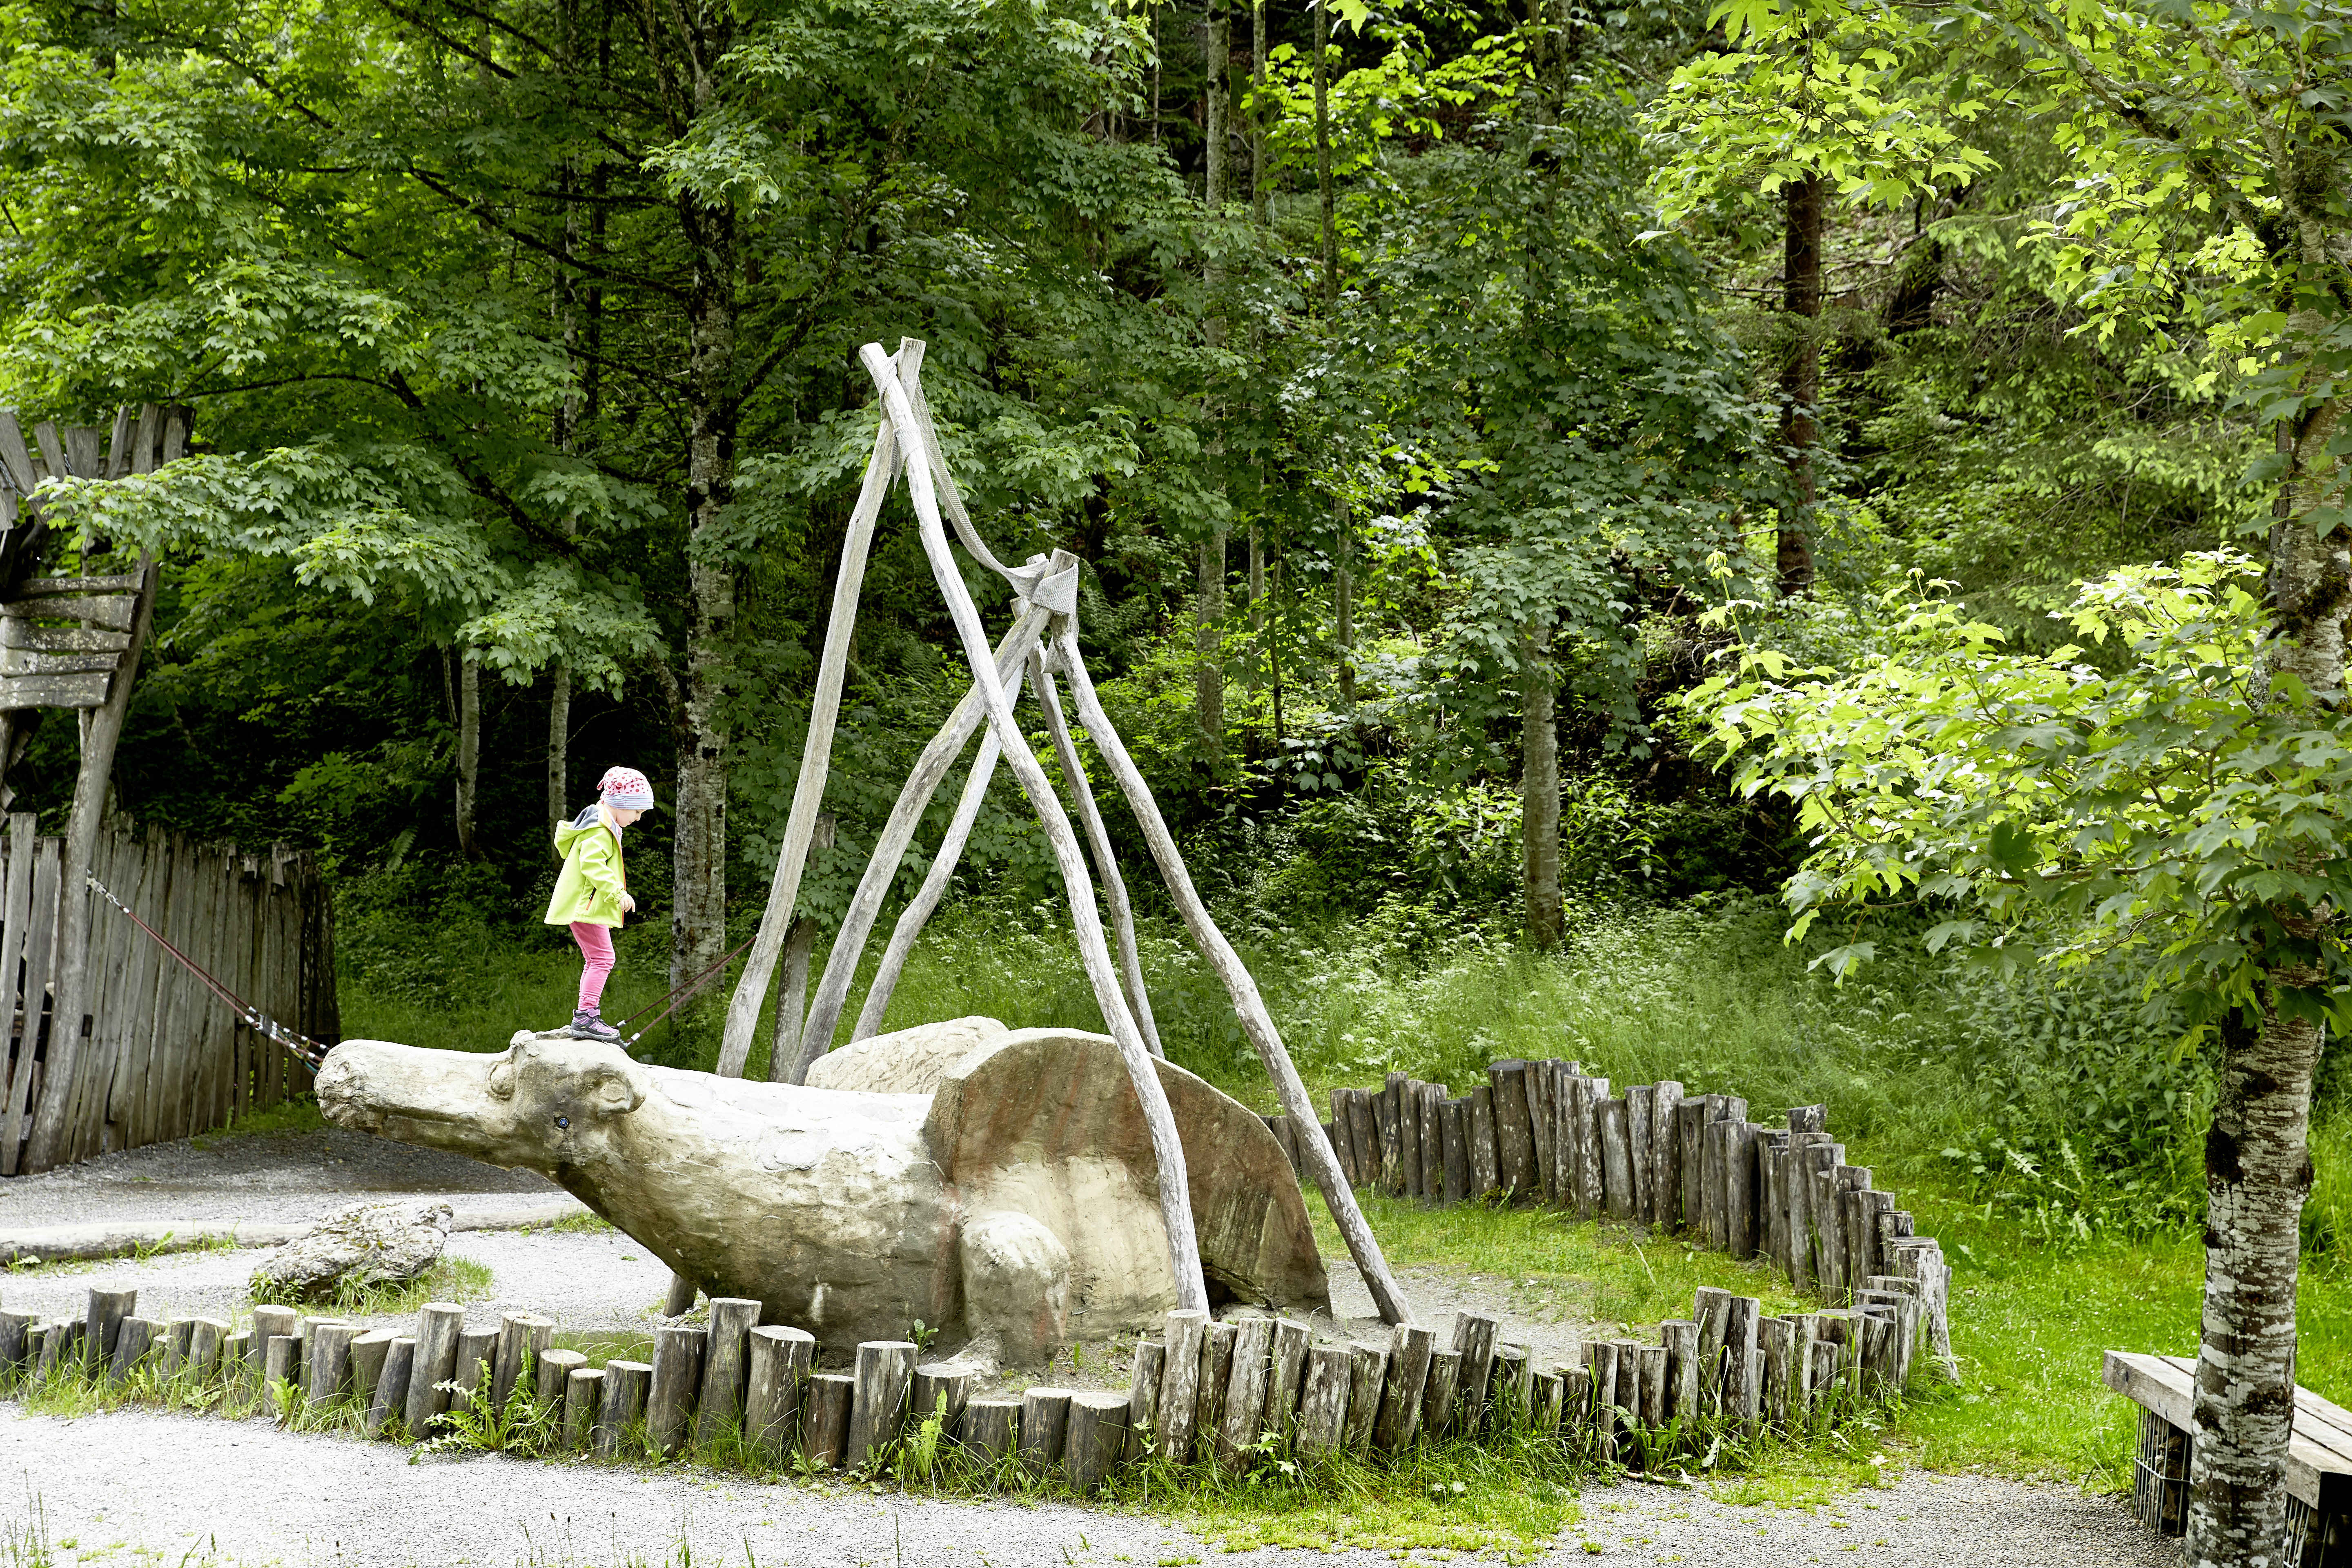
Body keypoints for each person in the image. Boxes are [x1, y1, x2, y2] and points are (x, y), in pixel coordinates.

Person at [546, 765, 655, 1042]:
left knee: (596, 958)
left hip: (583, 904)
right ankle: (586, 1017)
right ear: (621, 803)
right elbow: (592, 864)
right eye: (637, 811)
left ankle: (586, 1015)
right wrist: (619, 894)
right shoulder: (600, 830)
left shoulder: (600, 823)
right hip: (585, 906)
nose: (639, 818)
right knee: (603, 958)